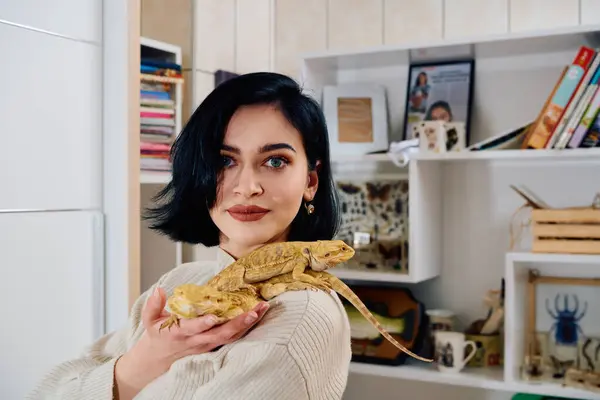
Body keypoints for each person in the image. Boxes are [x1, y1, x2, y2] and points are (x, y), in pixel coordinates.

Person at [28, 72, 352, 399]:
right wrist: (150, 356)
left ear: (310, 181)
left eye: (275, 161)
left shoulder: (298, 318)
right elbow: (46, 392)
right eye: (225, 160)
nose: (247, 187)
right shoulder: (179, 282)